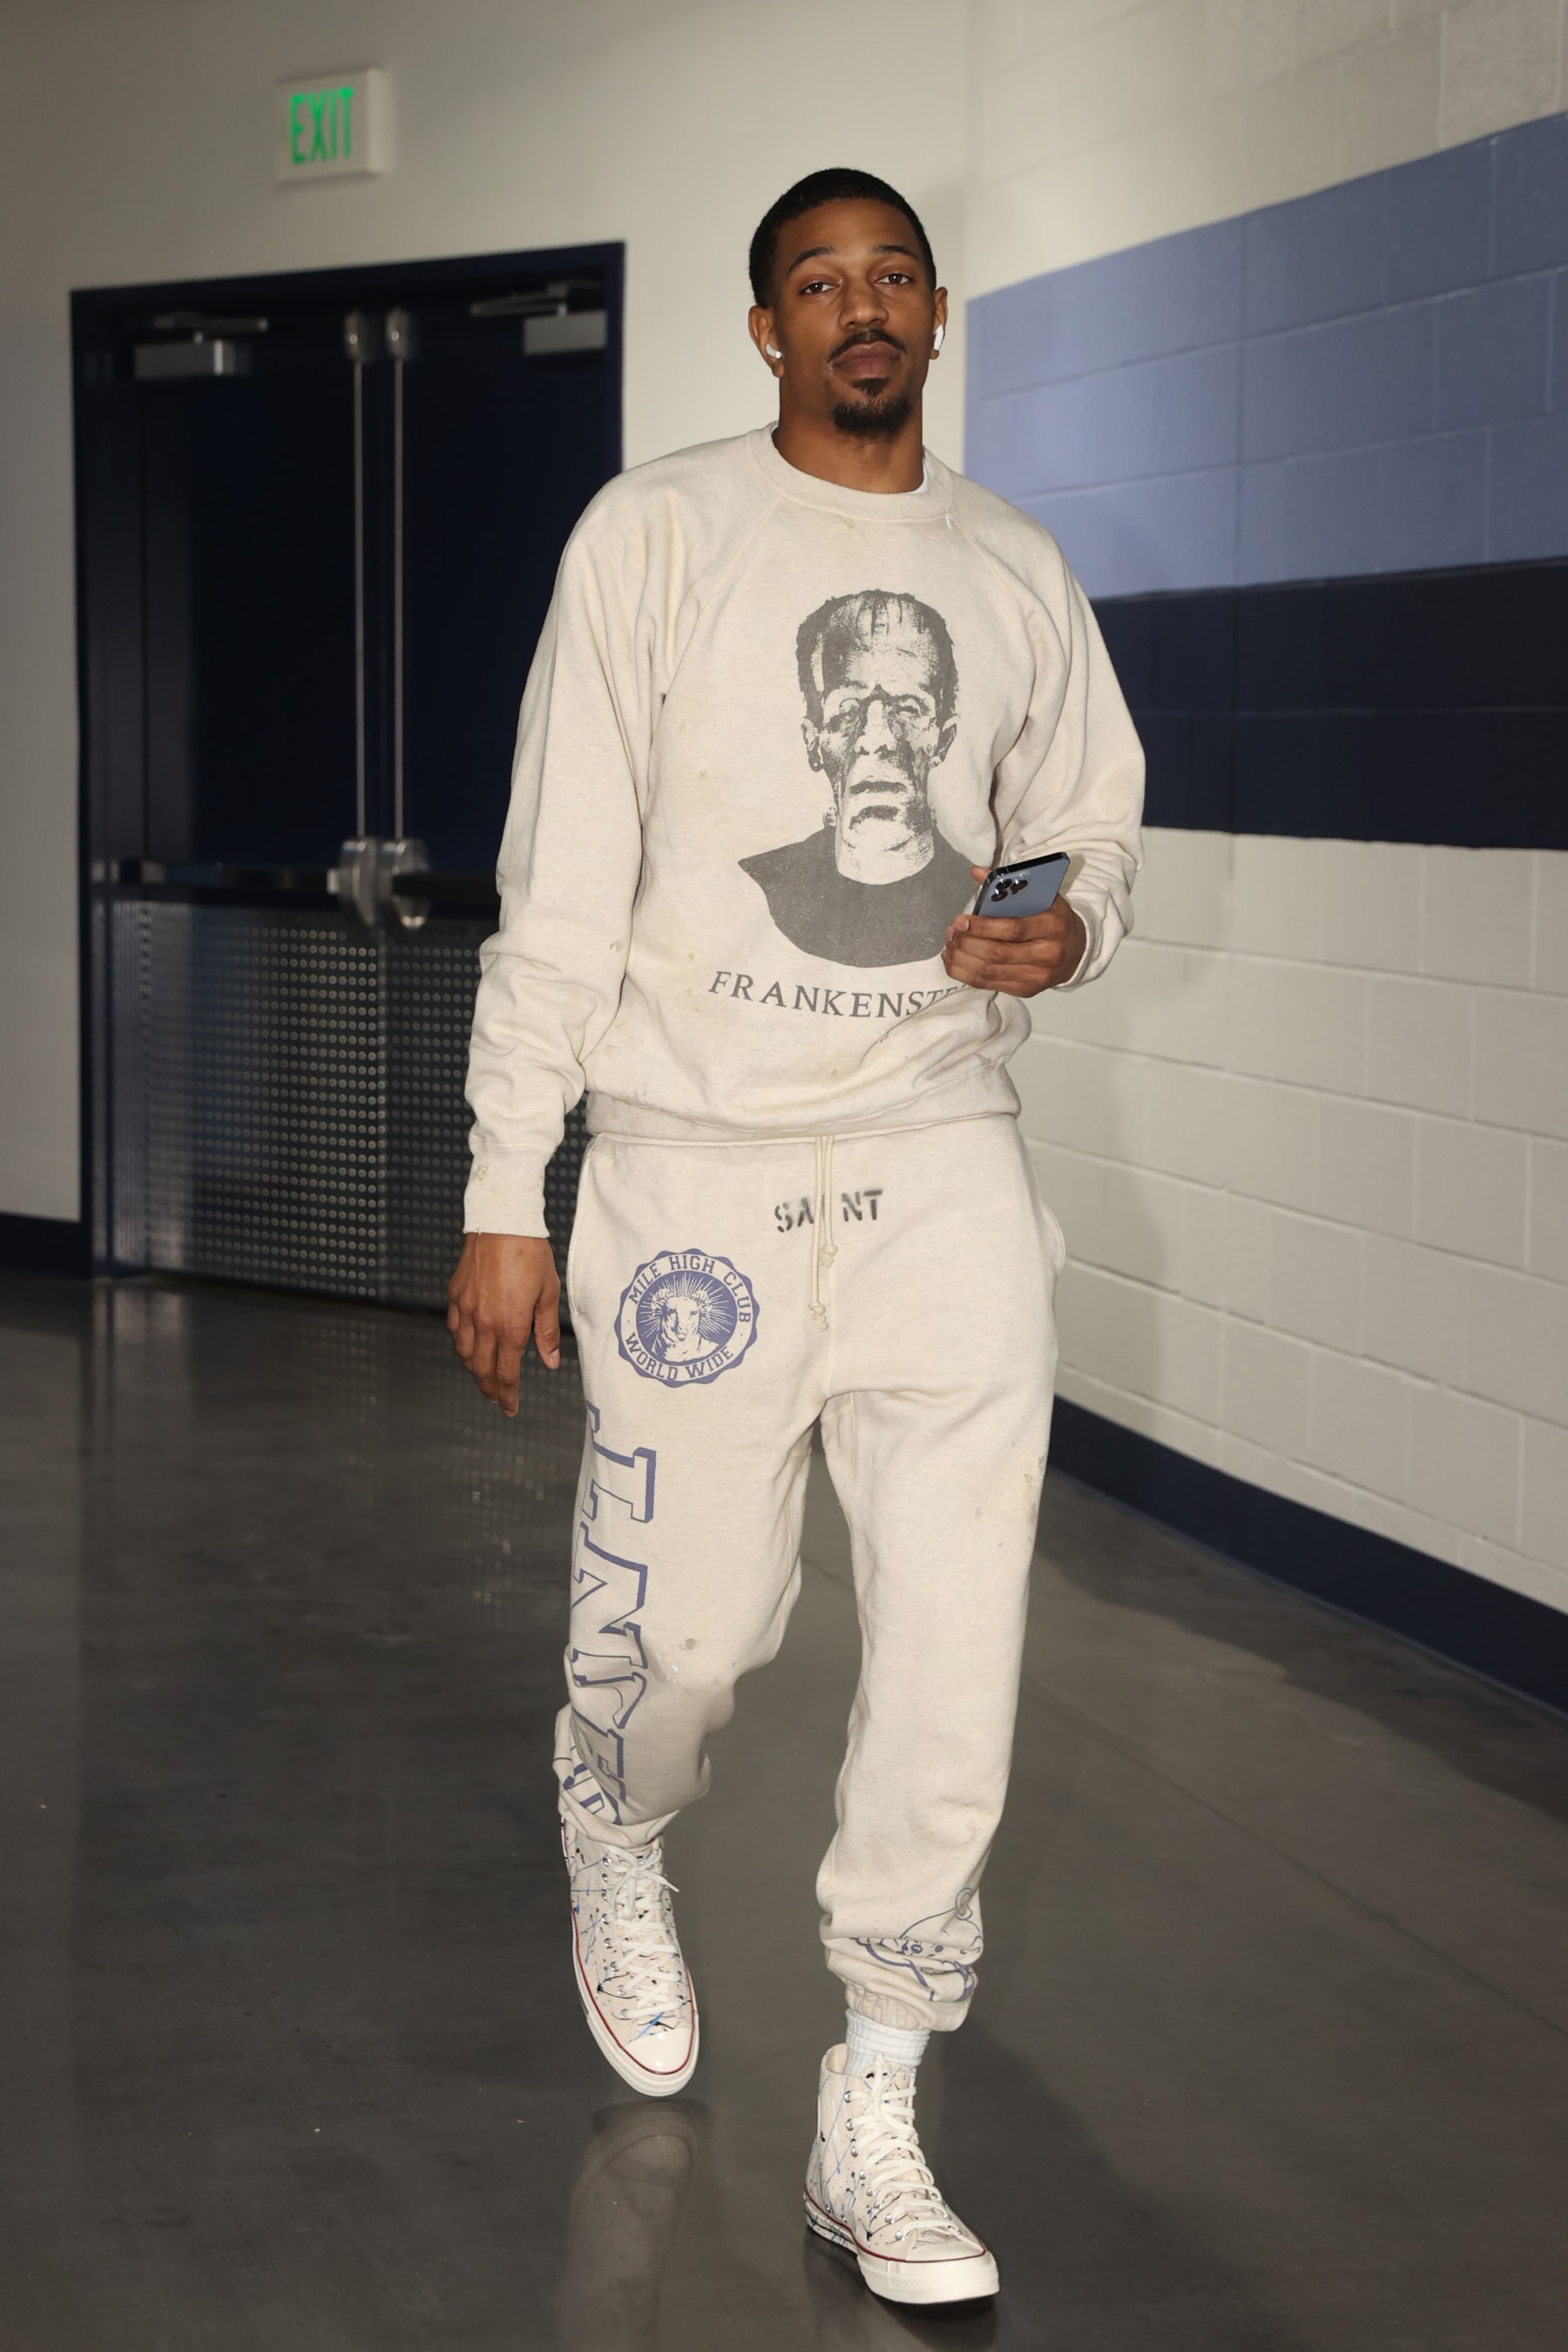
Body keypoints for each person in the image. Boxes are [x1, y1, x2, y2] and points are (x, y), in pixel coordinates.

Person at [449, 165, 1144, 2309]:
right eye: (818, 283)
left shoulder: (1015, 566)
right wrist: (503, 1187)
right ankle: (611, 1814)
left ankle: (880, 2102)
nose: (861, 308)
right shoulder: (655, 538)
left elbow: (1093, 824)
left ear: (936, 312)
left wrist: (1069, 929)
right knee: (688, 1646)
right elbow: (560, 883)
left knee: (954, 1647)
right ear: (766, 331)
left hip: (940, 1161)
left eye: (891, 275)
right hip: (695, 1170)